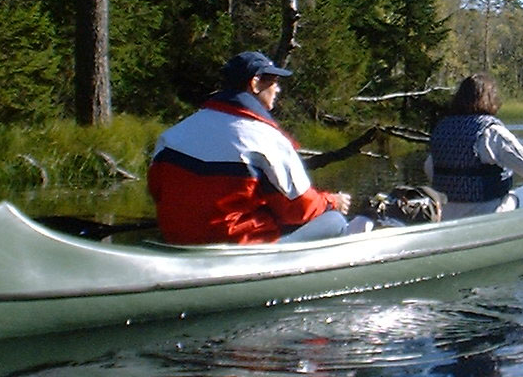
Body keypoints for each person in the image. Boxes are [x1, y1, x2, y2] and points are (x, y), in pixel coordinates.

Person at [148, 51, 363, 244]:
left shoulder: (174, 134)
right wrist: (332, 201)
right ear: (255, 83)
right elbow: (299, 209)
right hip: (236, 246)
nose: (277, 89)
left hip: (177, 240)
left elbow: (156, 191)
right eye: (274, 82)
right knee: (334, 220)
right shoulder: (266, 138)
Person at [424, 73, 523, 220]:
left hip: (446, 215)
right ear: (491, 98)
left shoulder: (443, 128)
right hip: (488, 215)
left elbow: (429, 169)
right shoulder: (491, 131)